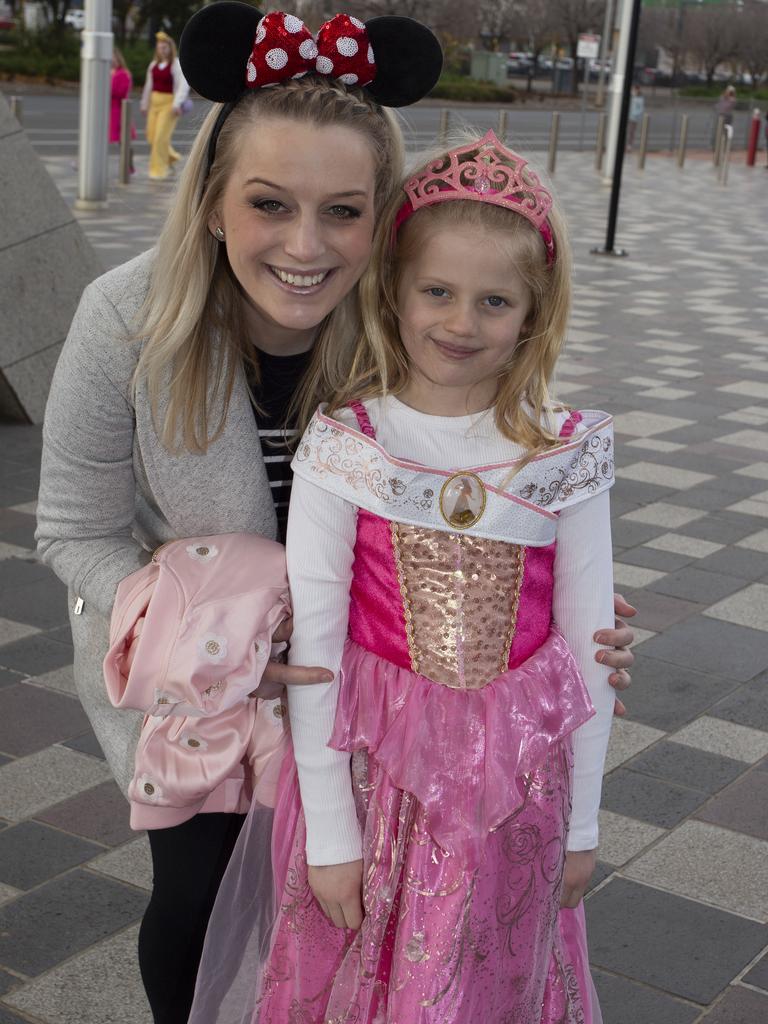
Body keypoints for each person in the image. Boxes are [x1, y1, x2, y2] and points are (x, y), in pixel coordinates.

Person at [36, 5, 632, 1021]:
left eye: (344, 212)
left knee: (352, 912)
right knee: (197, 899)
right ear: (215, 199)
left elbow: (515, 483)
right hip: (204, 680)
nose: (306, 247)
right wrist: (208, 630)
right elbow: (71, 530)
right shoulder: (127, 318)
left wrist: (562, 626)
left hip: (386, 685)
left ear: (384, 217)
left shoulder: (420, 319)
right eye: (270, 204)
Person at [193, 131, 619, 1023]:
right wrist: (333, 842)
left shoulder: (566, 451)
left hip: (520, 799)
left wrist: (581, 832)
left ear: (534, 313)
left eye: (494, 300)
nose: (461, 323)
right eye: (437, 292)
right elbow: (316, 651)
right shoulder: (349, 446)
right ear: (394, 292)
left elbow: (586, 653)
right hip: (376, 791)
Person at [140, 31, 189, 180]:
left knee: (160, 137)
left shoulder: (176, 64)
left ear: (170, 48)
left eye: (165, 47)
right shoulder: (153, 65)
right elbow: (149, 86)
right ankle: (171, 157)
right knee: (151, 136)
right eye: (160, 47)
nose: (162, 50)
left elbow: (183, 85)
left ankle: (159, 170)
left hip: (168, 105)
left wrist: (177, 103)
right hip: (154, 104)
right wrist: (144, 103)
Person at [110, 47, 136, 173]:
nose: (111, 60)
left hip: (119, 110)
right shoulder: (109, 72)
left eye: (113, 57)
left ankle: (128, 164)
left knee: (123, 140)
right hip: (110, 110)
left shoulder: (123, 73)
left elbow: (121, 92)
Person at [627, 84, 644, 150]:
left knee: (631, 131)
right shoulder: (631, 96)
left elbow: (641, 109)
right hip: (628, 116)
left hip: (633, 118)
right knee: (627, 131)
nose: (633, 91)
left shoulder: (640, 98)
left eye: (635, 89)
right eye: (633, 89)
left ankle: (629, 145)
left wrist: (634, 114)